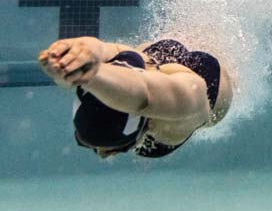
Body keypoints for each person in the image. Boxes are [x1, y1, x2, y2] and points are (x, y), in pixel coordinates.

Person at [38, 36, 232, 158]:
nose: (102, 156)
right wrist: (93, 74)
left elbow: (107, 49)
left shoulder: (133, 73)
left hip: (156, 64)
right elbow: (144, 94)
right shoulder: (183, 107)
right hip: (211, 89)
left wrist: (79, 50)